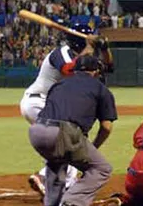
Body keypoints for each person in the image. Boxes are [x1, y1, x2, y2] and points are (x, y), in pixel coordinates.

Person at [21, 23, 99, 198]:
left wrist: (101, 48)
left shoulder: (81, 56)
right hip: (38, 102)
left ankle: (51, 180)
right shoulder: (61, 53)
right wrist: (89, 46)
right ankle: (47, 178)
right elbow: (69, 69)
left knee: (65, 145)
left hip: (48, 106)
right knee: (71, 141)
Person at [28, 55, 117, 206]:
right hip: (62, 132)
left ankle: (52, 203)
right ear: (96, 72)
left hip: (36, 130)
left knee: (56, 163)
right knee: (101, 168)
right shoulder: (101, 89)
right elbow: (106, 127)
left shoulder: (60, 83)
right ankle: (72, 202)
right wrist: (94, 146)